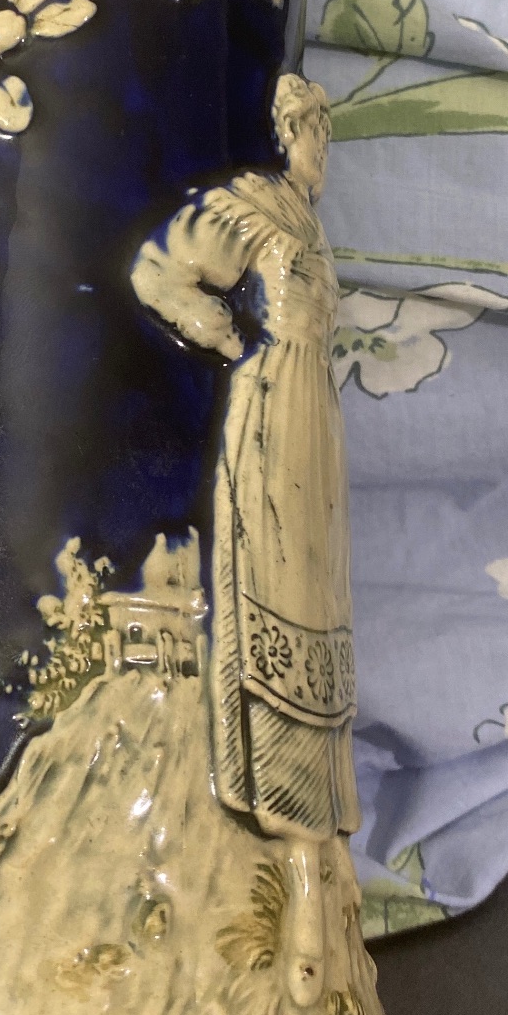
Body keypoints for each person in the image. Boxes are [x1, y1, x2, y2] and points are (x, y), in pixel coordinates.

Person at [132, 73, 358, 855]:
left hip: (315, 406)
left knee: (320, 578)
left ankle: (318, 789)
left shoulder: (306, 219)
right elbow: (156, 271)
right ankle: (267, 777)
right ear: (288, 132)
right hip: (275, 398)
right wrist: (225, 339)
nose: (322, 149)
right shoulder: (252, 205)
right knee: (276, 567)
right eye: (316, 133)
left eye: (325, 134)